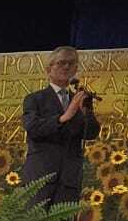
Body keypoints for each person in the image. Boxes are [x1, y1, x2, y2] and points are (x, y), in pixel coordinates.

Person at [20, 47, 100, 206]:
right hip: (40, 177)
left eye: (71, 64)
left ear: (75, 70)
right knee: (37, 220)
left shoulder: (78, 99)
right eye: (61, 63)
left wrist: (87, 112)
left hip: (69, 179)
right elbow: (33, 128)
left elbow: (91, 133)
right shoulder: (35, 99)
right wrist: (63, 117)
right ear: (49, 69)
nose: (66, 67)